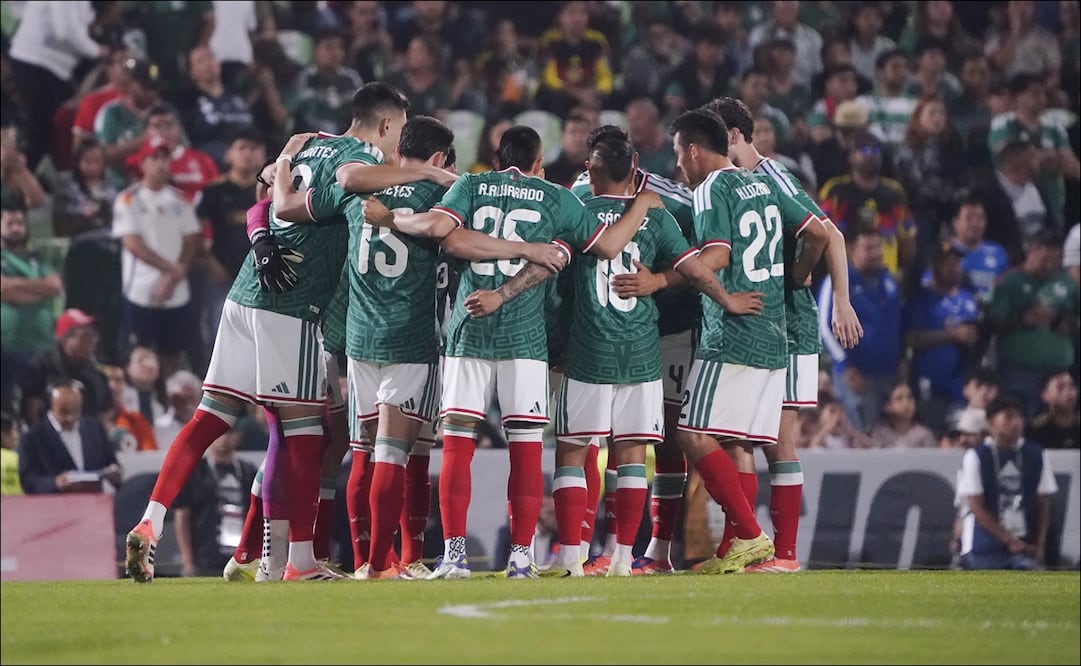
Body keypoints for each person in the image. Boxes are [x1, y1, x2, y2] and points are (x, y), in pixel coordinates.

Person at [122, 82, 413, 584]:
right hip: (293, 306)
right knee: (302, 433)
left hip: (244, 296)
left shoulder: (303, 141)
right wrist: (425, 172)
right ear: (386, 125)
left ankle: (152, 520)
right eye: (399, 133)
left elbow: (264, 199)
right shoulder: (359, 165)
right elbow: (329, 191)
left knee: (210, 418)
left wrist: (261, 236)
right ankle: (298, 561)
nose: (398, 146)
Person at [480, 125, 761, 577]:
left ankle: (571, 558)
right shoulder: (656, 215)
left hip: (589, 349)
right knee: (631, 455)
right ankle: (625, 559)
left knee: (573, 451)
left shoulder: (573, 208)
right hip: (641, 353)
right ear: (634, 170)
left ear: (589, 171)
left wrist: (542, 329)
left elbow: (550, 272)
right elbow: (693, 269)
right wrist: (728, 301)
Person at [361, 124, 602, 579]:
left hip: (468, 330)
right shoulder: (555, 196)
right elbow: (603, 244)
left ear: (495, 159)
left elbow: (443, 235)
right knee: (527, 449)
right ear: (538, 164)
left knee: (456, 445)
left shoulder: (470, 184)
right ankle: (521, 557)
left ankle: (453, 557)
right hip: (526, 339)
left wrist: (390, 219)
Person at [699, 96, 863, 573]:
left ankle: (782, 553)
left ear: (731, 135)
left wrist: (816, 285)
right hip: (775, 323)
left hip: (783, 322)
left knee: (769, 442)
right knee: (745, 440)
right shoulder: (749, 181)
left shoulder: (769, 176)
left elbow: (827, 233)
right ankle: (749, 550)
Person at [670, 108, 828, 575]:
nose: (679, 165)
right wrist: (796, 278)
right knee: (736, 440)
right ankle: (736, 548)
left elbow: (717, 254)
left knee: (691, 433)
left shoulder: (711, 189)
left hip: (733, 333)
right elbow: (817, 233)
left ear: (695, 150)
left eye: (680, 154)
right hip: (773, 333)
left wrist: (674, 273)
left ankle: (750, 534)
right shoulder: (760, 182)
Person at [112, 138, 204, 379]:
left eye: (165, 158)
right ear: (142, 163)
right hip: (141, 290)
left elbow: (192, 239)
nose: (161, 164)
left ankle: (171, 404)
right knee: (140, 353)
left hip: (176, 291)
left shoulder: (180, 200)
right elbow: (132, 243)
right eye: (155, 158)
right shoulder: (128, 199)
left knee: (172, 354)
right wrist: (171, 270)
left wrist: (177, 273)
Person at [955, 395, 1058, 570]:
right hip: (983, 548)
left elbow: (1044, 504)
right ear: (991, 422)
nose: (1016, 423)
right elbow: (975, 505)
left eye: (1019, 417)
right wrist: (1008, 539)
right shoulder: (977, 456)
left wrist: (1040, 546)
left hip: (1023, 546)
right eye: (1008, 417)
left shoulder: (1036, 454)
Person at [986, 229, 1078, 418]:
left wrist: (1059, 321)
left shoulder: (1067, 282)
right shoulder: (1009, 281)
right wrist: (1024, 319)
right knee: (1020, 418)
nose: (1049, 266)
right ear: (1031, 251)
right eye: (1044, 259)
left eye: (1054, 260)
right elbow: (992, 324)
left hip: (1059, 373)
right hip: (1020, 371)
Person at [818, 226, 902, 434]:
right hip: (855, 373)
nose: (877, 254)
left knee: (884, 432)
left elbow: (896, 326)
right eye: (869, 248)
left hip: (887, 373)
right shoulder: (838, 280)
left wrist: (901, 361)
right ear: (852, 250)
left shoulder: (889, 281)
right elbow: (824, 328)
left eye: (878, 247)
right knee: (856, 431)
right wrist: (845, 365)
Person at [902, 242, 981, 433]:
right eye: (947, 263)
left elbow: (978, 338)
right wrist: (952, 335)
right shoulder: (922, 299)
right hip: (929, 382)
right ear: (935, 265)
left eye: (956, 263)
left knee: (961, 434)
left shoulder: (969, 300)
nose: (953, 268)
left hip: (960, 384)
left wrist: (973, 338)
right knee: (931, 432)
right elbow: (911, 338)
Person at [1, 193, 62, 414]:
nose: (16, 228)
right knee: (6, 410)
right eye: (9, 223)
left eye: (19, 223)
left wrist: (15, 289)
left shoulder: (37, 258)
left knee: (39, 408)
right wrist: (37, 289)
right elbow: (3, 290)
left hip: (40, 348)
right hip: (6, 347)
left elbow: (54, 287)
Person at [173, 426, 259, 578]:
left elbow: (260, 515)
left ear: (238, 436)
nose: (224, 439)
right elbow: (182, 516)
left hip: (241, 557)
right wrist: (187, 560)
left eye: (229, 433)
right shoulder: (196, 472)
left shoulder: (248, 472)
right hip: (205, 557)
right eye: (219, 434)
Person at [17, 380, 123, 495]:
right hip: (54, 506)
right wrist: (56, 482)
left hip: (94, 504)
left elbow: (110, 462)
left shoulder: (94, 429)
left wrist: (115, 473)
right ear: (51, 407)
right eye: (64, 412)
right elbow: (28, 481)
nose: (70, 418)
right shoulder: (32, 437)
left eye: (75, 411)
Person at [19, 309, 114, 428]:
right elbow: (31, 410)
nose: (92, 342)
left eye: (94, 336)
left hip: (85, 438)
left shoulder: (96, 374)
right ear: (65, 339)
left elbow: (106, 410)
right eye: (85, 336)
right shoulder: (42, 366)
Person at [868, 381, 937, 449]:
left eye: (910, 397)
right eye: (899, 398)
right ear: (887, 406)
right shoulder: (879, 433)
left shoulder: (924, 434)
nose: (906, 403)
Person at [1026, 371, 1079, 450]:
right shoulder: (1034, 430)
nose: (1068, 392)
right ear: (1045, 395)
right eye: (1060, 388)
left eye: (1071, 386)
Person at [1, 410, 24, 495]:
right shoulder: (16, 459)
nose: (17, 435)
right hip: (17, 505)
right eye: (14, 430)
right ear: (4, 436)